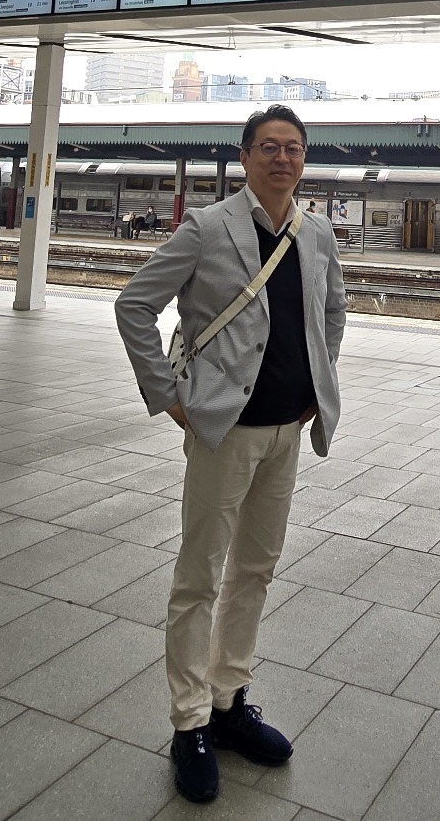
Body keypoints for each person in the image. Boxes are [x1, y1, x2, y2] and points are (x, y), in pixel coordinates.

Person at [114, 106, 346, 805]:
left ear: (304, 161)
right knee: (199, 578)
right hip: (224, 432)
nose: (283, 158)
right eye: (269, 148)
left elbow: (333, 312)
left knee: (255, 570)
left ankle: (228, 699)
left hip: (285, 433)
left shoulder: (318, 234)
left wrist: (318, 380)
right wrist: (168, 395)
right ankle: (188, 724)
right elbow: (134, 305)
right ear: (244, 158)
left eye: (294, 148)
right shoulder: (207, 229)